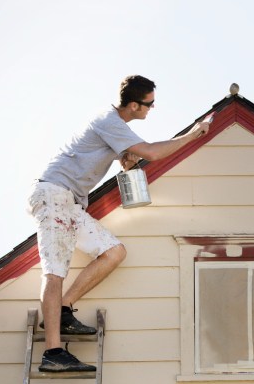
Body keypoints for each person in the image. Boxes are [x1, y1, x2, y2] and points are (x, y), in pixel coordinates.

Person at [27, 75, 210, 372]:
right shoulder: (109, 121)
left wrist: (126, 158)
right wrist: (192, 135)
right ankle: (52, 352)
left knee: (114, 251)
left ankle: (62, 310)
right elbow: (150, 151)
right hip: (53, 194)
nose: (152, 109)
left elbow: (125, 154)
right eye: (150, 104)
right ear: (134, 105)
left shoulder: (116, 129)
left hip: (71, 202)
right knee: (54, 272)